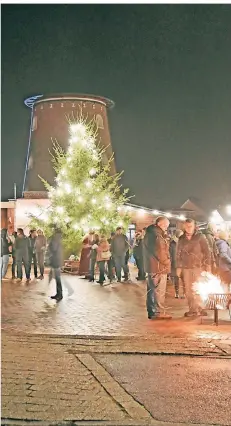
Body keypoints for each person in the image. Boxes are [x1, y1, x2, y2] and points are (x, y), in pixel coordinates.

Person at [176, 219, 211, 317]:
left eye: (190, 226)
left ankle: (201, 308)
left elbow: (207, 252)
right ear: (184, 226)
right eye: (186, 226)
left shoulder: (200, 237)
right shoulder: (181, 238)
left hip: (198, 267)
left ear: (194, 226)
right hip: (186, 268)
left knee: (199, 288)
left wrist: (208, 265)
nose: (188, 228)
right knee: (188, 290)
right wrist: (178, 267)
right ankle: (192, 309)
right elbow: (178, 254)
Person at [143, 216, 172, 320]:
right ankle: (158, 311)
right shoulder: (157, 236)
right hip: (158, 267)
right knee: (158, 290)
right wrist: (167, 262)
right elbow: (160, 252)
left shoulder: (150, 234)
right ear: (160, 224)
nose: (166, 228)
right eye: (165, 226)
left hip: (152, 266)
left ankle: (152, 311)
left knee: (152, 289)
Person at [48, 227, 63, 301]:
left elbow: (53, 249)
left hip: (56, 260)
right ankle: (59, 293)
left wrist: (49, 245)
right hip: (57, 260)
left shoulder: (55, 240)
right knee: (57, 278)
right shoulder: (59, 239)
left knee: (58, 278)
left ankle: (59, 294)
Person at [169, 230, 184, 298]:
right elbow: (170, 254)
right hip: (175, 264)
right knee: (176, 279)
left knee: (184, 279)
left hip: (184, 264)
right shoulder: (172, 243)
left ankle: (184, 293)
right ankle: (177, 293)